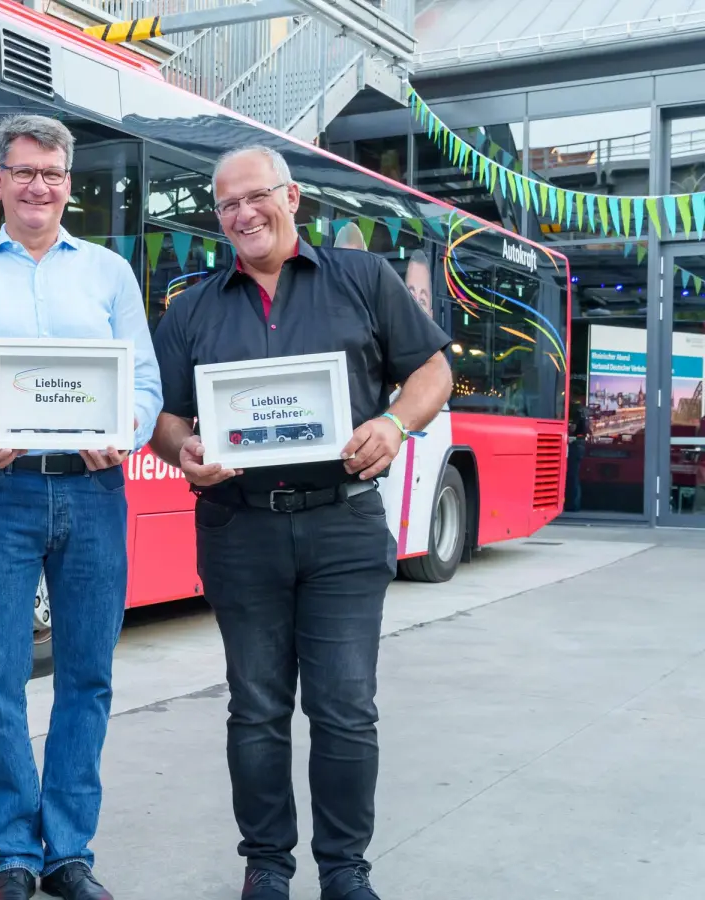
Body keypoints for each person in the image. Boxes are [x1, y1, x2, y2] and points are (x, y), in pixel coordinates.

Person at [148, 145, 453, 900]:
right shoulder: (193, 307)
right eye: (227, 205)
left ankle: (345, 869)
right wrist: (182, 449)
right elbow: (162, 415)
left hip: (343, 525)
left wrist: (393, 424)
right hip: (238, 527)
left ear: (292, 198)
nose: (244, 214)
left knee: (345, 706)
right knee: (255, 707)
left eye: (256, 196)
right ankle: (267, 866)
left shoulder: (361, 278)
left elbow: (433, 370)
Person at [0, 114, 162, 900]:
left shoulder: (109, 276)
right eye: (23, 172)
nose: (39, 187)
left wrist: (122, 432)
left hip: (93, 489)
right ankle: (15, 854)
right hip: (1, 488)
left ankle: (68, 851)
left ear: (69, 183)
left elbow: (145, 385)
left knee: (87, 675)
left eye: (53, 174)